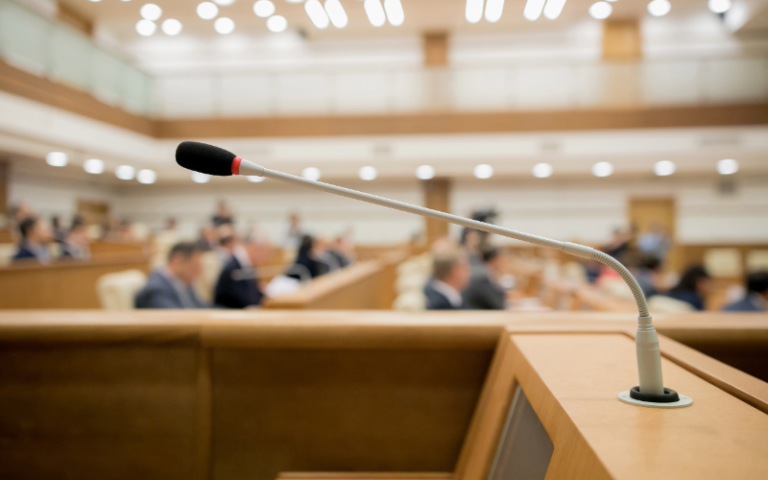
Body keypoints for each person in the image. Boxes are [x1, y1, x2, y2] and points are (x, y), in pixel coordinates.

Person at [135, 242, 207, 309]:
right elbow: (176, 319)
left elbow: (201, 307)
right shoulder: (156, 290)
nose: (198, 273)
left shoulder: (184, 283)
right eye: (195, 266)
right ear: (177, 260)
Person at [214, 236, 273, 309]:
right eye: (266, 254)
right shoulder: (234, 268)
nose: (267, 258)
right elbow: (244, 300)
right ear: (255, 249)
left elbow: (253, 293)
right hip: (229, 314)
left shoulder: (247, 264)